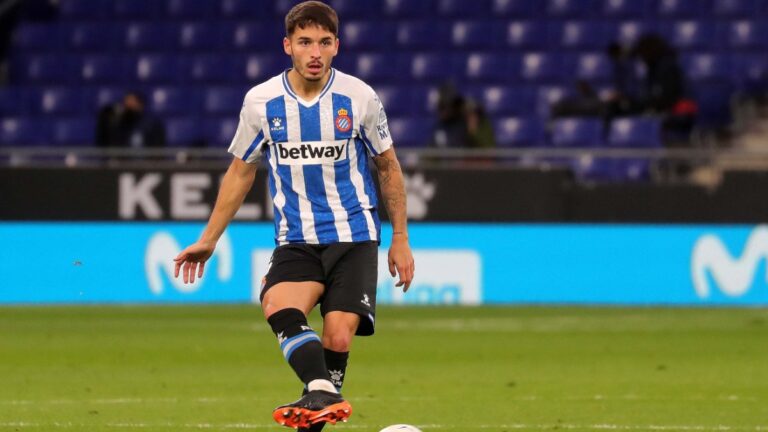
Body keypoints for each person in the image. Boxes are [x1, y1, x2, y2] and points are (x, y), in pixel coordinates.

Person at [172, 2, 415, 430]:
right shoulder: (261, 102)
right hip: (296, 237)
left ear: (337, 46)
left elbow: (388, 166)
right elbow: (240, 171)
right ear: (288, 46)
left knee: (338, 336)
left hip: (354, 235)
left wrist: (401, 238)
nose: (315, 52)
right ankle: (320, 387)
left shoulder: (359, 98)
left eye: (324, 42)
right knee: (277, 304)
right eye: (305, 42)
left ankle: (318, 396)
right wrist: (209, 238)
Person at [95, 91, 166, 148]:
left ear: (140, 105)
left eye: (132, 102)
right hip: (122, 164)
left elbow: (158, 149)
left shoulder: (152, 125)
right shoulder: (118, 124)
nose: (128, 105)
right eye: (126, 102)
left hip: (145, 164)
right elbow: (104, 142)